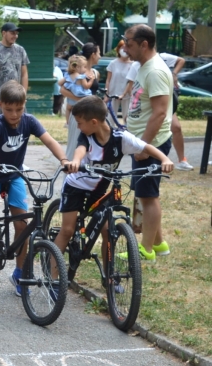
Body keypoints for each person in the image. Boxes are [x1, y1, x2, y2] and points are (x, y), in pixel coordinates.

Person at [0, 81, 69, 297]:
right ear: (1, 105)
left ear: (24, 105)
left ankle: (20, 274)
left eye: (18, 109)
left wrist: (65, 159)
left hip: (15, 176)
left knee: (23, 225)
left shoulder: (29, 122)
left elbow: (49, 141)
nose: (14, 114)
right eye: (9, 109)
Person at [52, 97, 173, 264]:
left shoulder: (120, 137)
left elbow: (145, 147)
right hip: (76, 187)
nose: (78, 127)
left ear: (94, 122)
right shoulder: (86, 137)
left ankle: (109, 278)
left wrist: (164, 159)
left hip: (98, 192)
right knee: (67, 230)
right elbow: (80, 150)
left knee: (108, 231)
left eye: (79, 123)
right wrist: (75, 162)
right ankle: (53, 277)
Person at [124, 24, 174, 261]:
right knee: (145, 192)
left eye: (130, 44)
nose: (125, 49)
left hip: (151, 144)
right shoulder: (142, 66)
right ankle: (159, 244)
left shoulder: (154, 71)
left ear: (144, 44)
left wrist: (144, 147)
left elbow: (159, 113)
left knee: (148, 196)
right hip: (141, 142)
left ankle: (146, 250)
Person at [63, 43, 101, 160]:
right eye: (98, 53)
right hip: (78, 113)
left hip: (93, 115)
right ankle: (68, 175)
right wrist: (81, 100)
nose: (100, 56)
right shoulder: (77, 72)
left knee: (91, 149)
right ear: (93, 54)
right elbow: (62, 89)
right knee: (74, 146)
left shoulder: (95, 73)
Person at [0, 22, 30, 118]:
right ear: (4, 33)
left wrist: (23, 94)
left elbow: (24, 74)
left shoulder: (20, 50)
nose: (15, 36)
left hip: (16, 97)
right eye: (12, 33)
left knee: (18, 128)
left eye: (17, 34)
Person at [159, 52, 192, 171]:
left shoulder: (162, 57)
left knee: (176, 127)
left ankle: (182, 160)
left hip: (166, 100)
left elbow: (181, 60)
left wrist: (174, 74)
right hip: (150, 103)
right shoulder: (139, 63)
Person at [59, 54, 94, 125]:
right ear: (78, 67)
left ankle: (68, 122)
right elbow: (86, 86)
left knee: (68, 108)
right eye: (84, 67)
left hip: (71, 97)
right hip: (81, 96)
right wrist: (91, 80)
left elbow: (59, 83)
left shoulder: (68, 76)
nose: (85, 69)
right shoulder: (81, 77)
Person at [105, 40, 133, 124]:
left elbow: (131, 81)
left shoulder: (133, 64)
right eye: (122, 47)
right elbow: (108, 80)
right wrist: (106, 94)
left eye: (126, 47)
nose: (124, 50)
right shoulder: (113, 63)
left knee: (127, 117)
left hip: (128, 95)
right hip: (113, 94)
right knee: (111, 117)